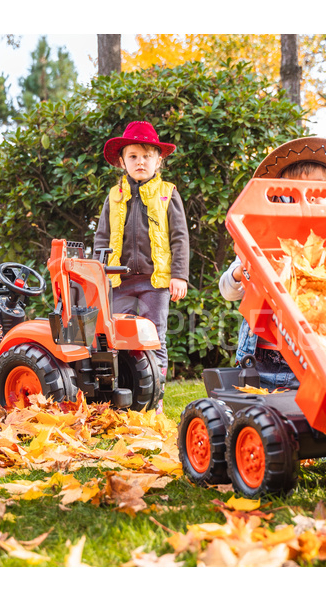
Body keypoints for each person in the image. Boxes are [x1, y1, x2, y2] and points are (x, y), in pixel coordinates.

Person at [219, 136, 326, 389]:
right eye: (295, 190)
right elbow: (227, 290)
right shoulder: (263, 233)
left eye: (319, 190)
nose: (308, 198)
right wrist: (239, 273)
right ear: (281, 196)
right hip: (262, 362)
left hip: (318, 360)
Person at [94, 121, 190, 410]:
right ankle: (124, 399)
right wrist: (100, 272)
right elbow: (101, 238)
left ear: (158, 161)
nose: (140, 162)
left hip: (155, 281)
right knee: (118, 339)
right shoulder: (114, 196)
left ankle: (155, 401)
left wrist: (179, 276)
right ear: (122, 161)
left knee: (154, 339)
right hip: (119, 281)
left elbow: (179, 237)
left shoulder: (167, 193)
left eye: (147, 156)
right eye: (133, 156)